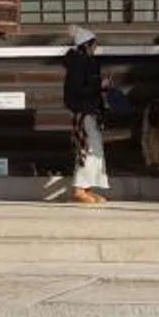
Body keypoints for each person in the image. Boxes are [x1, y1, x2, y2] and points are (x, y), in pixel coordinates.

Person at [63, 29, 108, 205]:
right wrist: (99, 85)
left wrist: (101, 87)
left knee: (95, 150)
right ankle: (79, 189)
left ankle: (86, 187)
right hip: (84, 112)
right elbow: (77, 90)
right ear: (86, 45)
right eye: (94, 43)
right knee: (88, 150)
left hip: (91, 111)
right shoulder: (78, 64)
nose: (96, 46)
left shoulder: (87, 63)